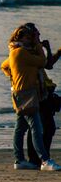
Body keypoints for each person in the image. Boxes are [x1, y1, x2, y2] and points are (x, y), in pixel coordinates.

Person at [0, 23, 61, 171]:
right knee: (36, 127)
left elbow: (6, 65)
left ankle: (21, 160)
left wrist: (18, 75)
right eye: (31, 36)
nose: (34, 39)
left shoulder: (24, 52)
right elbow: (42, 62)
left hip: (30, 92)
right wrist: (19, 77)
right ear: (20, 37)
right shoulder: (20, 52)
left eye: (33, 36)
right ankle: (44, 160)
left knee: (21, 127)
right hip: (26, 93)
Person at [24, 23, 61, 166]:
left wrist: (52, 50)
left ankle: (38, 158)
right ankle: (40, 158)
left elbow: (47, 64)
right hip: (37, 92)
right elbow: (46, 64)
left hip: (42, 91)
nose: (40, 36)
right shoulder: (28, 51)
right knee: (42, 126)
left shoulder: (34, 49)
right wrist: (46, 49)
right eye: (37, 34)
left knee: (39, 126)